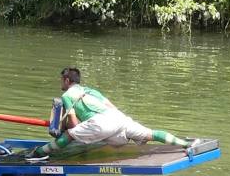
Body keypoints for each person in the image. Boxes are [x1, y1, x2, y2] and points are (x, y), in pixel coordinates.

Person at [48, 66, 201, 156]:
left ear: (67, 80)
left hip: (101, 124)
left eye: (62, 80)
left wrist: (65, 130)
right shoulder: (91, 91)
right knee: (151, 134)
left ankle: (39, 153)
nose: (61, 83)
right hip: (119, 118)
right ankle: (186, 144)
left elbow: (74, 124)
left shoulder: (67, 95)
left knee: (70, 135)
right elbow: (112, 107)